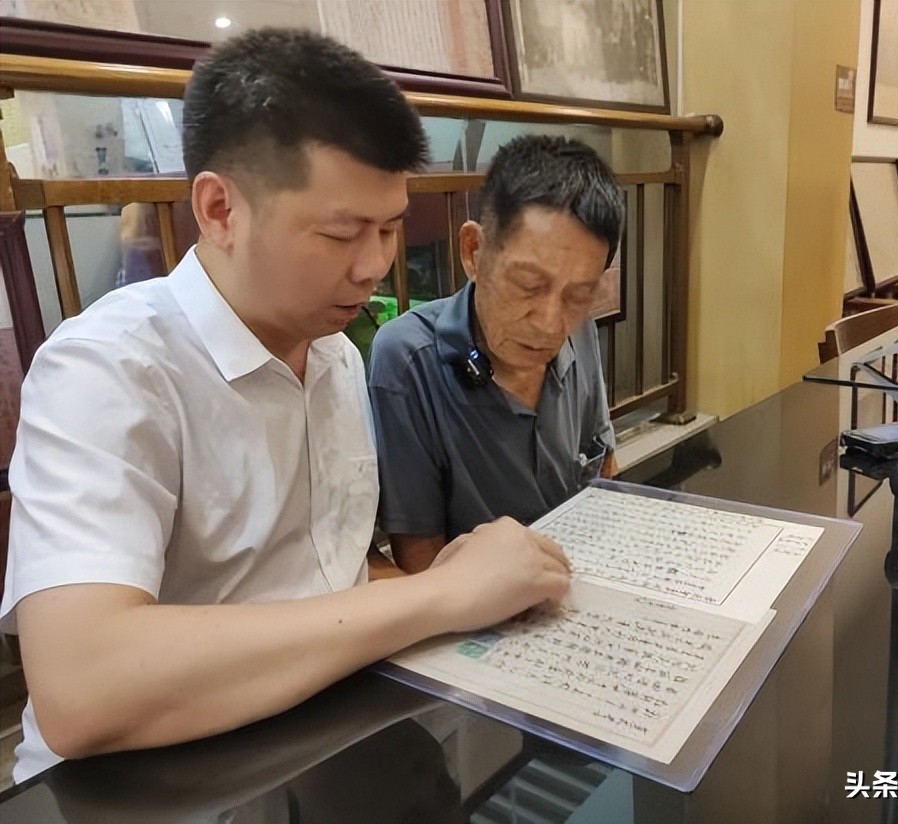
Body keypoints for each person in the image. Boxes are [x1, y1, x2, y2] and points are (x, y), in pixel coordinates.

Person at [0, 28, 570, 784]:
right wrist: (440, 595)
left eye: (390, 227)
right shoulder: (107, 368)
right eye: (341, 233)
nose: (374, 265)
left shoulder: (332, 353)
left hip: (301, 740)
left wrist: (472, 586)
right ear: (219, 209)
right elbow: (82, 689)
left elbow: (326, 580)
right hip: (134, 784)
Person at [368, 135, 622, 573]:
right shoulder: (408, 360)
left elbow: (605, 472)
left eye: (578, 295)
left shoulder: (578, 327)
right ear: (474, 251)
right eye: (528, 285)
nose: (550, 323)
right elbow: (421, 567)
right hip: (476, 605)